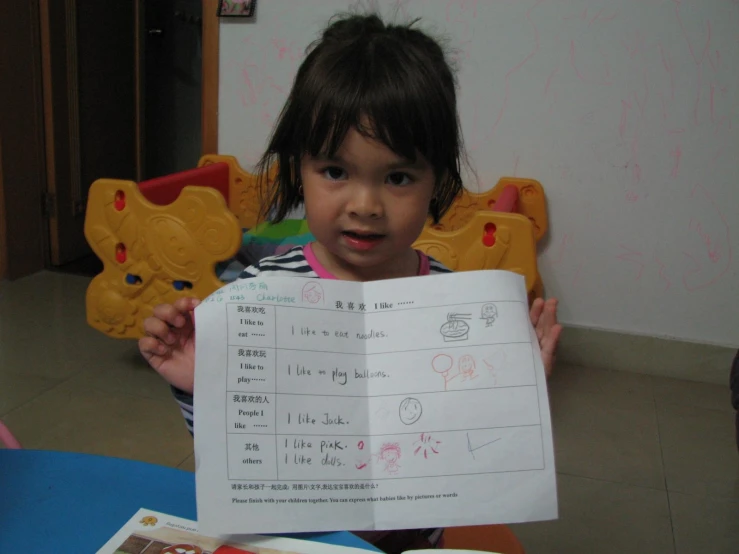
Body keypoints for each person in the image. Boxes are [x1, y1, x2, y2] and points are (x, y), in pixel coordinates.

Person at [139, 12, 562, 553]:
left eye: (398, 177)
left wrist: (514, 388)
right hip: (292, 539)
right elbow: (239, 461)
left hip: (415, 538)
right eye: (335, 172)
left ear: (438, 181)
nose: (365, 206)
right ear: (299, 169)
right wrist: (199, 382)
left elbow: (471, 445)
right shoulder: (258, 294)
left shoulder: (447, 301)